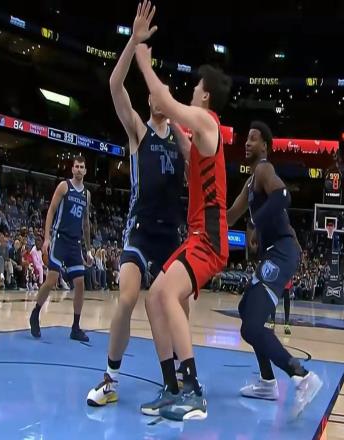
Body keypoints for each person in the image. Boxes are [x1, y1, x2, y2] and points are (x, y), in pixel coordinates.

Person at [131, 5, 232, 421]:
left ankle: (193, 390)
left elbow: (165, 101)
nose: (192, 90)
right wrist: (170, 121)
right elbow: (187, 148)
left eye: (195, 87)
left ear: (206, 95)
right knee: (154, 297)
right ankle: (172, 387)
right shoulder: (201, 136)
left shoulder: (208, 121)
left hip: (209, 238)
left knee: (168, 294)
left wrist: (142, 57)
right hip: (195, 236)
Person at [86, 0, 187, 407]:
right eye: (154, 92)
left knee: (177, 305)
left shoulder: (181, 139)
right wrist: (132, 42)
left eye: (165, 92)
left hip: (172, 234)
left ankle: (179, 377)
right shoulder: (138, 131)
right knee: (127, 297)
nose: (159, 96)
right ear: (149, 101)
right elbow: (115, 86)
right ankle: (110, 379)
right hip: (141, 231)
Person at [227, 121, 322, 417]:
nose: (247, 143)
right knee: (246, 310)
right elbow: (229, 217)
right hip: (274, 253)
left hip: (282, 251)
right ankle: (268, 382)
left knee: (251, 326)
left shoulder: (264, 169)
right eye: (246, 139)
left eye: (253, 139)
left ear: (265, 146)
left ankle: (302, 376)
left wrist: (255, 222)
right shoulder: (250, 183)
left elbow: (283, 196)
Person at [29, 155, 92, 341]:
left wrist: (88, 250)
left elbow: (86, 223)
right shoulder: (64, 186)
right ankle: (35, 313)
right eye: (76, 166)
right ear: (72, 169)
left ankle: (75, 327)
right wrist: (47, 238)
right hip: (59, 238)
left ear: (85, 171)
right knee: (51, 279)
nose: (79, 169)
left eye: (82, 166)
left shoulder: (87, 194)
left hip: (75, 243)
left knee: (80, 283)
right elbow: (51, 211)